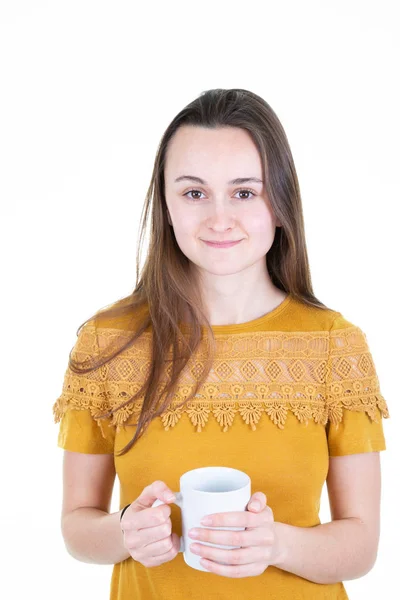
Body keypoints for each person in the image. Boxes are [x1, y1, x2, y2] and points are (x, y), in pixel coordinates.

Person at [53, 88, 390, 600]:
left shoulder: (335, 348)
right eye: (193, 193)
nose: (218, 218)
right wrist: (124, 531)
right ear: (165, 206)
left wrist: (277, 545)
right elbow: (78, 528)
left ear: (279, 204)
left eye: (244, 192)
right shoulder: (107, 344)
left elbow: (361, 544)